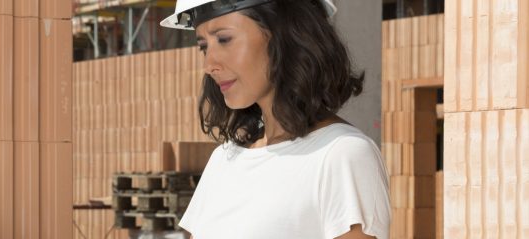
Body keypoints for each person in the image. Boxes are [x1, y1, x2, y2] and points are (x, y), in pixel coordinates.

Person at [159, 0, 391, 238]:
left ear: (284, 33)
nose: (209, 64)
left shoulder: (341, 155)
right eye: (204, 47)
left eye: (224, 39)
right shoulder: (224, 159)